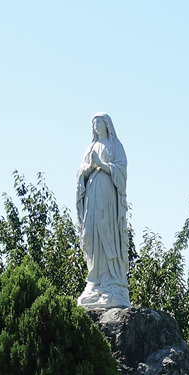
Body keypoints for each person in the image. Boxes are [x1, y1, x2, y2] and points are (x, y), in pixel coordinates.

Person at [75, 112, 130, 309]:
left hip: (107, 194)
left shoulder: (115, 146)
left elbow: (122, 170)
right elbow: (81, 172)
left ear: (107, 125)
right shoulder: (90, 147)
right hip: (92, 192)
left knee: (107, 232)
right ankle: (95, 280)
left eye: (99, 122)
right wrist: (90, 167)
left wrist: (103, 166)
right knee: (90, 233)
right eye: (93, 123)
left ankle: (111, 280)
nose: (96, 125)